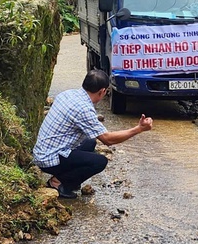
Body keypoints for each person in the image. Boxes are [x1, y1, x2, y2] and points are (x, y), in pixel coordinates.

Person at [33, 69, 153, 199]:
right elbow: (108, 139)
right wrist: (138, 129)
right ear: (102, 91)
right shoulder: (83, 109)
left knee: (90, 142)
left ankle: (62, 178)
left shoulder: (67, 94)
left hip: (42, 151)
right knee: (99, 161)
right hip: (48, 159)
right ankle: (61, 184)